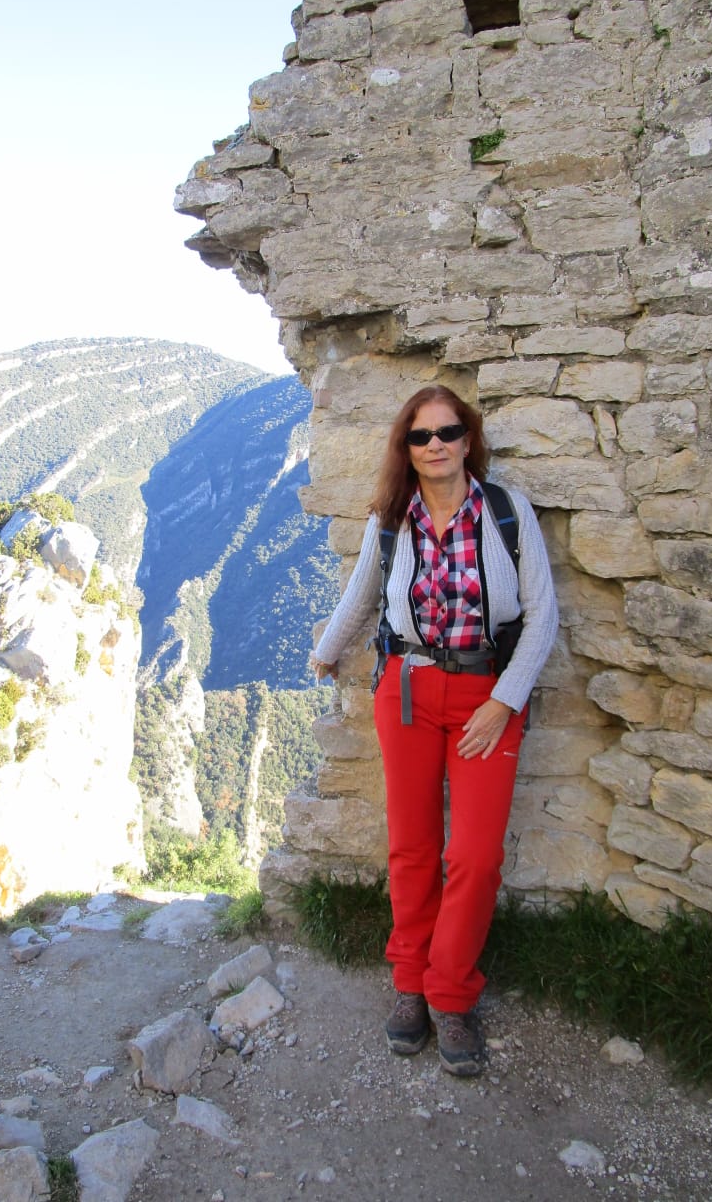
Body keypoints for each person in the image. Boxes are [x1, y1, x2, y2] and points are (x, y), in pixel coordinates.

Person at [309, 385, 558, 1076]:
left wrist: (504, 701)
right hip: (408, 692)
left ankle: (450, 991)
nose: (436, 445)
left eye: (448, 432)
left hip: (486, 697)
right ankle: (411, 983)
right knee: (413, 845)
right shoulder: (392, 519)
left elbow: (542, 615)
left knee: (474, 855)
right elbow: (363, 594)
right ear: (407, 448)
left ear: (468, 440)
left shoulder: (506, 511)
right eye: (421, 436)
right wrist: (327, 651)